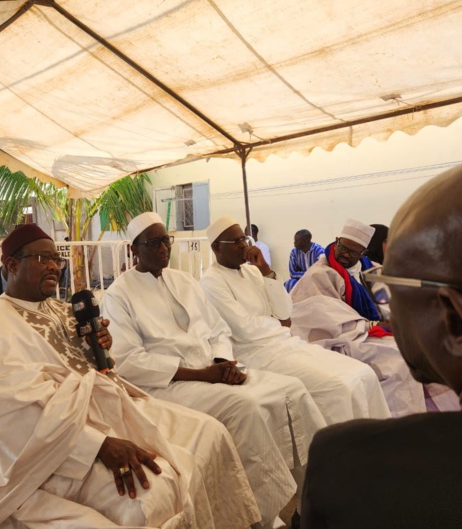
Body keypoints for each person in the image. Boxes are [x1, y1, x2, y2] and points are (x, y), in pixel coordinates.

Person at [0, 224, 259, 528]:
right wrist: (99, 444)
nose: (53, 266)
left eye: (55, 259)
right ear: (12, 265)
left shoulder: (63, 309)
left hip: (105, 407)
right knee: (151, 494)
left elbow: (94, 370)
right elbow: (12, 414)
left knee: (210, 433)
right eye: (41, 258)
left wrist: (100, 348)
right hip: (51, 449)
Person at [300, 150, 462, 528]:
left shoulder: (349, 466)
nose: (388, 303)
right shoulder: (319, 274)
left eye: (391, 289)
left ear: (458, 324)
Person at [103, 212, 325, 528]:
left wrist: (222, 362)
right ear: (133, 250)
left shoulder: (183, 280)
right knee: (245, 408)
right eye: (154, 243)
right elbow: (129, 362)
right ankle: (263, 516)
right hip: (168, 385)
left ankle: (312, 499)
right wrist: (202, 374)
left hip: (212, 371)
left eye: (166, 240)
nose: (164, 248)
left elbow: (218, 330)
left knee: (292, 390)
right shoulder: (118, 295)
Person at [202, 216, 390, 427]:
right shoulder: (212, 280)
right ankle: (342, 453)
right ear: (217, 247)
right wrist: (277, 324)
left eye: (244, 239)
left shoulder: (253, 271)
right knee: (339, 386)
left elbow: (285, 313)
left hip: (287, 343)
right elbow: (245, 329)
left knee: (363, 374)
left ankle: (377, 444)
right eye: (236, 242)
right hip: (256, 352)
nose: (244, 246)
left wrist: (266, 272)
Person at [289, 219, 433, 417]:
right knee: (398, 359)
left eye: (353, 252)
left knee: (423, 347)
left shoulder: (372, 269)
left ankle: (424, 416)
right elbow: (324, 317)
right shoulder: (321, 274)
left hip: (371, 332)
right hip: (345, 338)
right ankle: (395, 421)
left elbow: (388, 302)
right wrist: (374, 325)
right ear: (337, 240)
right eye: (343, 247)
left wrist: (396, 320)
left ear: (363, 253)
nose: (345, 255)